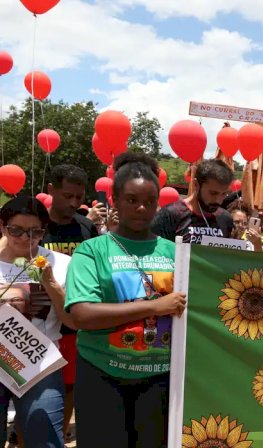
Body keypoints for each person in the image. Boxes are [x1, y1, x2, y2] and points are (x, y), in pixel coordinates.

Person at [65, 153, 187, 446]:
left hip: (159, 380)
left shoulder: (176, 253)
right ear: (115, 200)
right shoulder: (92, 251)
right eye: (131, 200)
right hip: (101, 376)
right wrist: (154, 306)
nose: (141, 208)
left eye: (149, 201)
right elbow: (81, 314)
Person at [0, 196, 75, 447]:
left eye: (34, 232)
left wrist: (50, 283)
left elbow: (72, 321)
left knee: (45, 438)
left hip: (38, 364)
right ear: (2, 227)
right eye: (16, 230)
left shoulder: (61, 263)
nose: (24, 238)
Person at [42, 164, 101, 441]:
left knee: (69, 387)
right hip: (37, 322)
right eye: (68, 196)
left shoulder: (87, 229)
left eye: (79, 197)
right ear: (51, 190)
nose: (75, 203)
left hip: (74, 323)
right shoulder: (35, 226)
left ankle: (60, 433)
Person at [152, 159, 233, 244]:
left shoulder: (225, 219)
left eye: (224, 194)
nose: (218, 200)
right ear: (196, 185)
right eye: (213, 193)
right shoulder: (170, 215)